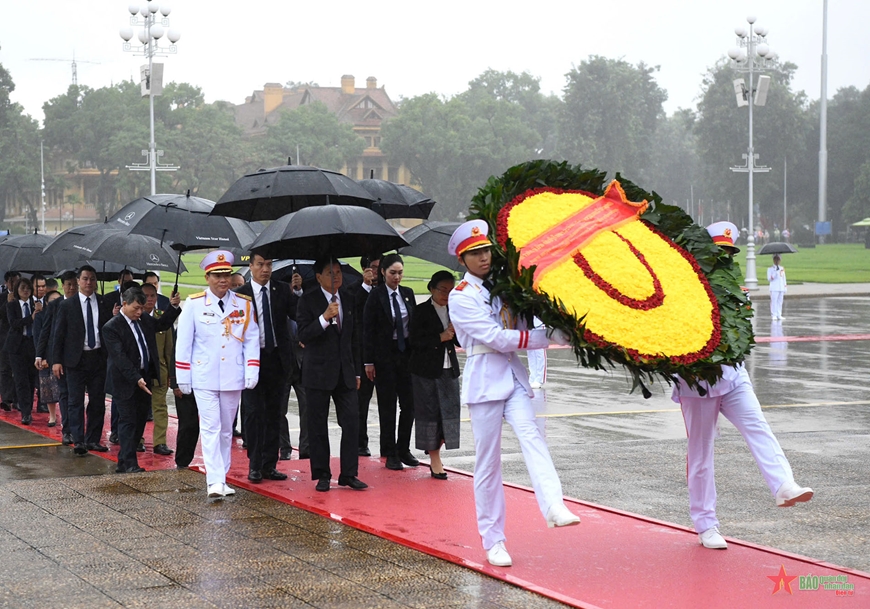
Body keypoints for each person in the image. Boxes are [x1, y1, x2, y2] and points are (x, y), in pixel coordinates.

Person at [447, 220, 579, 568]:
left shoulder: (502, 288)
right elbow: (498, 337)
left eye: (486, 250)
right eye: (475, 253)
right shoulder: (461, 297)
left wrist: (559, 327)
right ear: (463, 260)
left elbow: (520, 325)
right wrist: (541, 338)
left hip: (512, 377)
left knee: (532, 437)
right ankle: (494, 540)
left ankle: (553, 503)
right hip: (485, 380)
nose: (483, 257)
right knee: (487, 464)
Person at [674, 221, 813, 551]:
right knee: (701, 455)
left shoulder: (735, 288)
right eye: (718, 251)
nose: (723, 257)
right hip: (698, 382)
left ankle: (783, 484)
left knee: (758, 426)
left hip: (734, 376)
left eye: (728, 252)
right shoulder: (684, 285)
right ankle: (706, 523)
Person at [175, 250, 260, 498]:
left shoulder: (243, 304)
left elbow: (251, 338)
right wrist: (183, 376)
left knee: (225, 430)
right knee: (211, 427)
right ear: (207, 277)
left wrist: (251, 368)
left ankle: (222, 478)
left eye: (226, 275)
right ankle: (214, 481)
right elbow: (184, 342)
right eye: (217, 275)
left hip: (232, 375)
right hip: (204, 375)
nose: (222, 280)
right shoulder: (194, 303)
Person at [296, 257, 366, 492]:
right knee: (318, 425)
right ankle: (322, 474)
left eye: (338, 272)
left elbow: (354, 338)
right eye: (330, 273)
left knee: (351, 422)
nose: (335, 277)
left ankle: (349, 473)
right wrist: (324, 318)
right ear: (318, 277)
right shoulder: (308, 300)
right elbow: (304, 335)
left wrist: (357, 371)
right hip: (318, 372)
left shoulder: (348, 297)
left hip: (345, 372)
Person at [236, 252, 298, 483]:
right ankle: (254, 463)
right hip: (253, 361)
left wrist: (298, 292)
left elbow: (296, 313)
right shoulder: (240, 295)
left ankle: (269, 464)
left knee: (275, 413)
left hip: (277, 360)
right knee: (253, 414)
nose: (265, 269)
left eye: (269, 264)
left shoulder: (282, 289)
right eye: (260, 265)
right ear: (251, 266)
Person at [103, 287, 174, 473]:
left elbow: (161, 325)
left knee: (141, 419)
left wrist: (173, 308)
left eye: (141, 308)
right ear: (124, 304)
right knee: (128, 421)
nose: (139, 312)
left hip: (145, 378)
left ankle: (123, 461)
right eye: (135, 308)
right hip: (125, 381)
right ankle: (130, 463)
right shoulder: (112, 327)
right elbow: (119, 358)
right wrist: (136, 379)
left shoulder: (143, 319)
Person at [363, 253, 417, 471]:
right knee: (388, 407)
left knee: (409, 405)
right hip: (384, 357)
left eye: (400, 273)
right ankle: (390, 451)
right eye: (393, 273)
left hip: (406, 356)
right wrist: (368, 362)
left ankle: (403, 448)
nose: (397, 277)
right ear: (383, 272)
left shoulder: (407, 293)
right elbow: (368, 330)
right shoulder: (375, 297)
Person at [51, 265, 111, 454]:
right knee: (75, 401)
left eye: (92, 279)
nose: (88, 283)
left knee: (97, 401)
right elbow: (58, 334)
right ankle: (78, 440)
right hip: (75, 359)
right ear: (78, 281)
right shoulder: (67, 305)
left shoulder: (103, 303)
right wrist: (56, 360)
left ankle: (93, 439)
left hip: (98, 358)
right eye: (85, 279)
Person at [408, 270, 460, 480]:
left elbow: (460, 342)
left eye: (450, 290)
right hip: (426, 371)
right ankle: (434, 458)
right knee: (430, 414)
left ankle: (438, 451)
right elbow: (414, 342)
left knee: (447, 413)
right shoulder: (420, 311)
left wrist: (458, 332)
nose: (446, 294)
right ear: (431, 288)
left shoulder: (455, 311)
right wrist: (440, 337)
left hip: (449, 369)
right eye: (442, 289)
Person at [36, 270, 77, 443]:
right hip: (58, 356)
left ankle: (78, 431)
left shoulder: (82, 303)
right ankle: (67, 430)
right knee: (65, 393)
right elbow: (45, 331)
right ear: (62, 285)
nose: (71, 288)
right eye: (68, 285)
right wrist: (40, 355)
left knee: (77, 396)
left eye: (74, 284)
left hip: (78, 356)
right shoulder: (55, 305)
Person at [140, 282, 182, 455]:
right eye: (146, 296)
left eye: (153, 296)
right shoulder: (134, 317)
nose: (150, 299)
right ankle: (137, 439)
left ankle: (160, 442)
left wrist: (171, 375)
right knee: (140, 408)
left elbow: (169, 350)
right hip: (141, 371)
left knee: (160, 407)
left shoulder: (161, 317)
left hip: (159, 371)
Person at [355, 253, 381, 456]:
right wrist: (365, 285)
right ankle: (360, 442)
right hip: (363, 355)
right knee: (361, 403)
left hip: (385, 356)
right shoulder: (355, 290)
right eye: (373, 267)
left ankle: (391, 446)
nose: (376, 272)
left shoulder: (387, 289)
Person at [5, 277, 39, 424]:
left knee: (32, 379)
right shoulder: (12, 305)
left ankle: (29, 408)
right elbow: (14, 324)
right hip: (17, 347)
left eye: (28, 288)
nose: (26, 291)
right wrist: (30, 318)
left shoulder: (35, 305)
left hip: (32, 345)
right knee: (21, 379)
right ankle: (25, 412)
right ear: (18, 290)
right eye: (23, 288)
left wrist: (39, 313)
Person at [33, 290, 62, 426]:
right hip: (46, 356)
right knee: (48, 389)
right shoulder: (41, 316)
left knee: (62, 389)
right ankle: (52, 416)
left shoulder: (66, 313)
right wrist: (41, 356)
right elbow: (39, 337)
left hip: (61, 356)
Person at [0, 271, 21, 411]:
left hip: (19, 338)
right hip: (4, 337)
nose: (14, 284)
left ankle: (19, 399)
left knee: (19, 370)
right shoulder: (2, 297)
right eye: (12, 281)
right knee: (5, 369)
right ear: (7, 282)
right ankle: (6, 398)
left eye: (17, 281)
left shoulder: (23, 297)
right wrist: (7, 304)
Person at [767, 254, 787, 321]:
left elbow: (783, 278)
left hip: (781, 287)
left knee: (780, 301)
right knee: (774, 301)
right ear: (773, 260)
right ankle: (774, 315)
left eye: (778, 259)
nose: (777, 261)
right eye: (775, 259)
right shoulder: (770, 269)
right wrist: (775, 273)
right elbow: (769, 278)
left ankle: (779, 314)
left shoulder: (782, 268)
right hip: (774, 287)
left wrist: (785, 287)